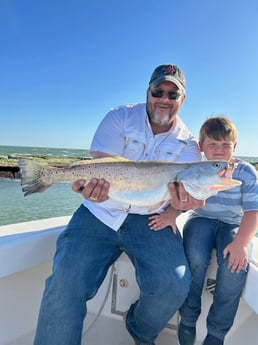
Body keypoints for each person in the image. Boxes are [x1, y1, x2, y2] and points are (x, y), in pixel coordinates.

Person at [33, 63, 204, 345]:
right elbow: (100, 164)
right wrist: (88, 188)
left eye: (172, 95)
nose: (164, 99)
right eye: (158, 91)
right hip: (99, 213)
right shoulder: (119, 117)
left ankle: (137, 327)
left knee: (174, 284)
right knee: (65, 283)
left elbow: (190, 192)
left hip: (151, 220)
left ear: (182, 100)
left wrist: (179, 208)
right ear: (148, 91)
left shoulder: (189, 146)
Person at [149, 116, 258, 345]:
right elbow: (182, 198)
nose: (219, 151)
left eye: (225, 145)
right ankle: (188, 319)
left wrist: (240, 243)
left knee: (234, 266)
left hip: (232, 224)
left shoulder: (246, 172)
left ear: (235, 147)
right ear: (201, 147)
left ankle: (217, 333)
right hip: (201, 220)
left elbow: (253, 212)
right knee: (195, 255)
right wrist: (170, 214)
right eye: (212, 145)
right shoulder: (194, 169)